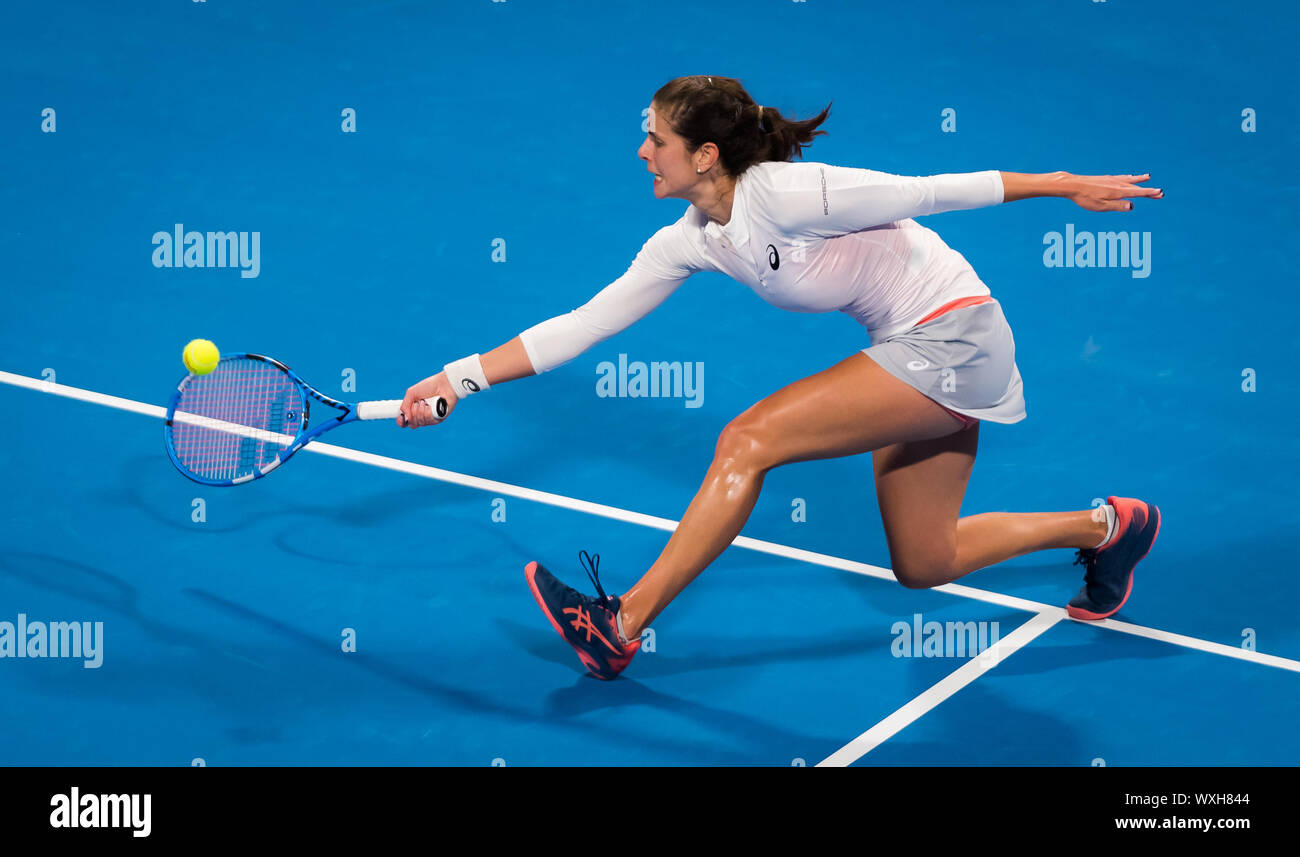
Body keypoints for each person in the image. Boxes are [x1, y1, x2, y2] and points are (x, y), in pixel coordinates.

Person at [398, 75, 1164, 681]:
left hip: (951, 332)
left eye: (655, 138)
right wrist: (457, 380)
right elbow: (584, 322)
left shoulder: (788, 194)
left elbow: (928, 190)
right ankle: (1111, 526)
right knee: (924, 563)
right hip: (910, 342)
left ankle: (619, 626)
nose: (642, 151)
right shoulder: (691, 238)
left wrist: (1064, 183)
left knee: (747, 438)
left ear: (704, 155)